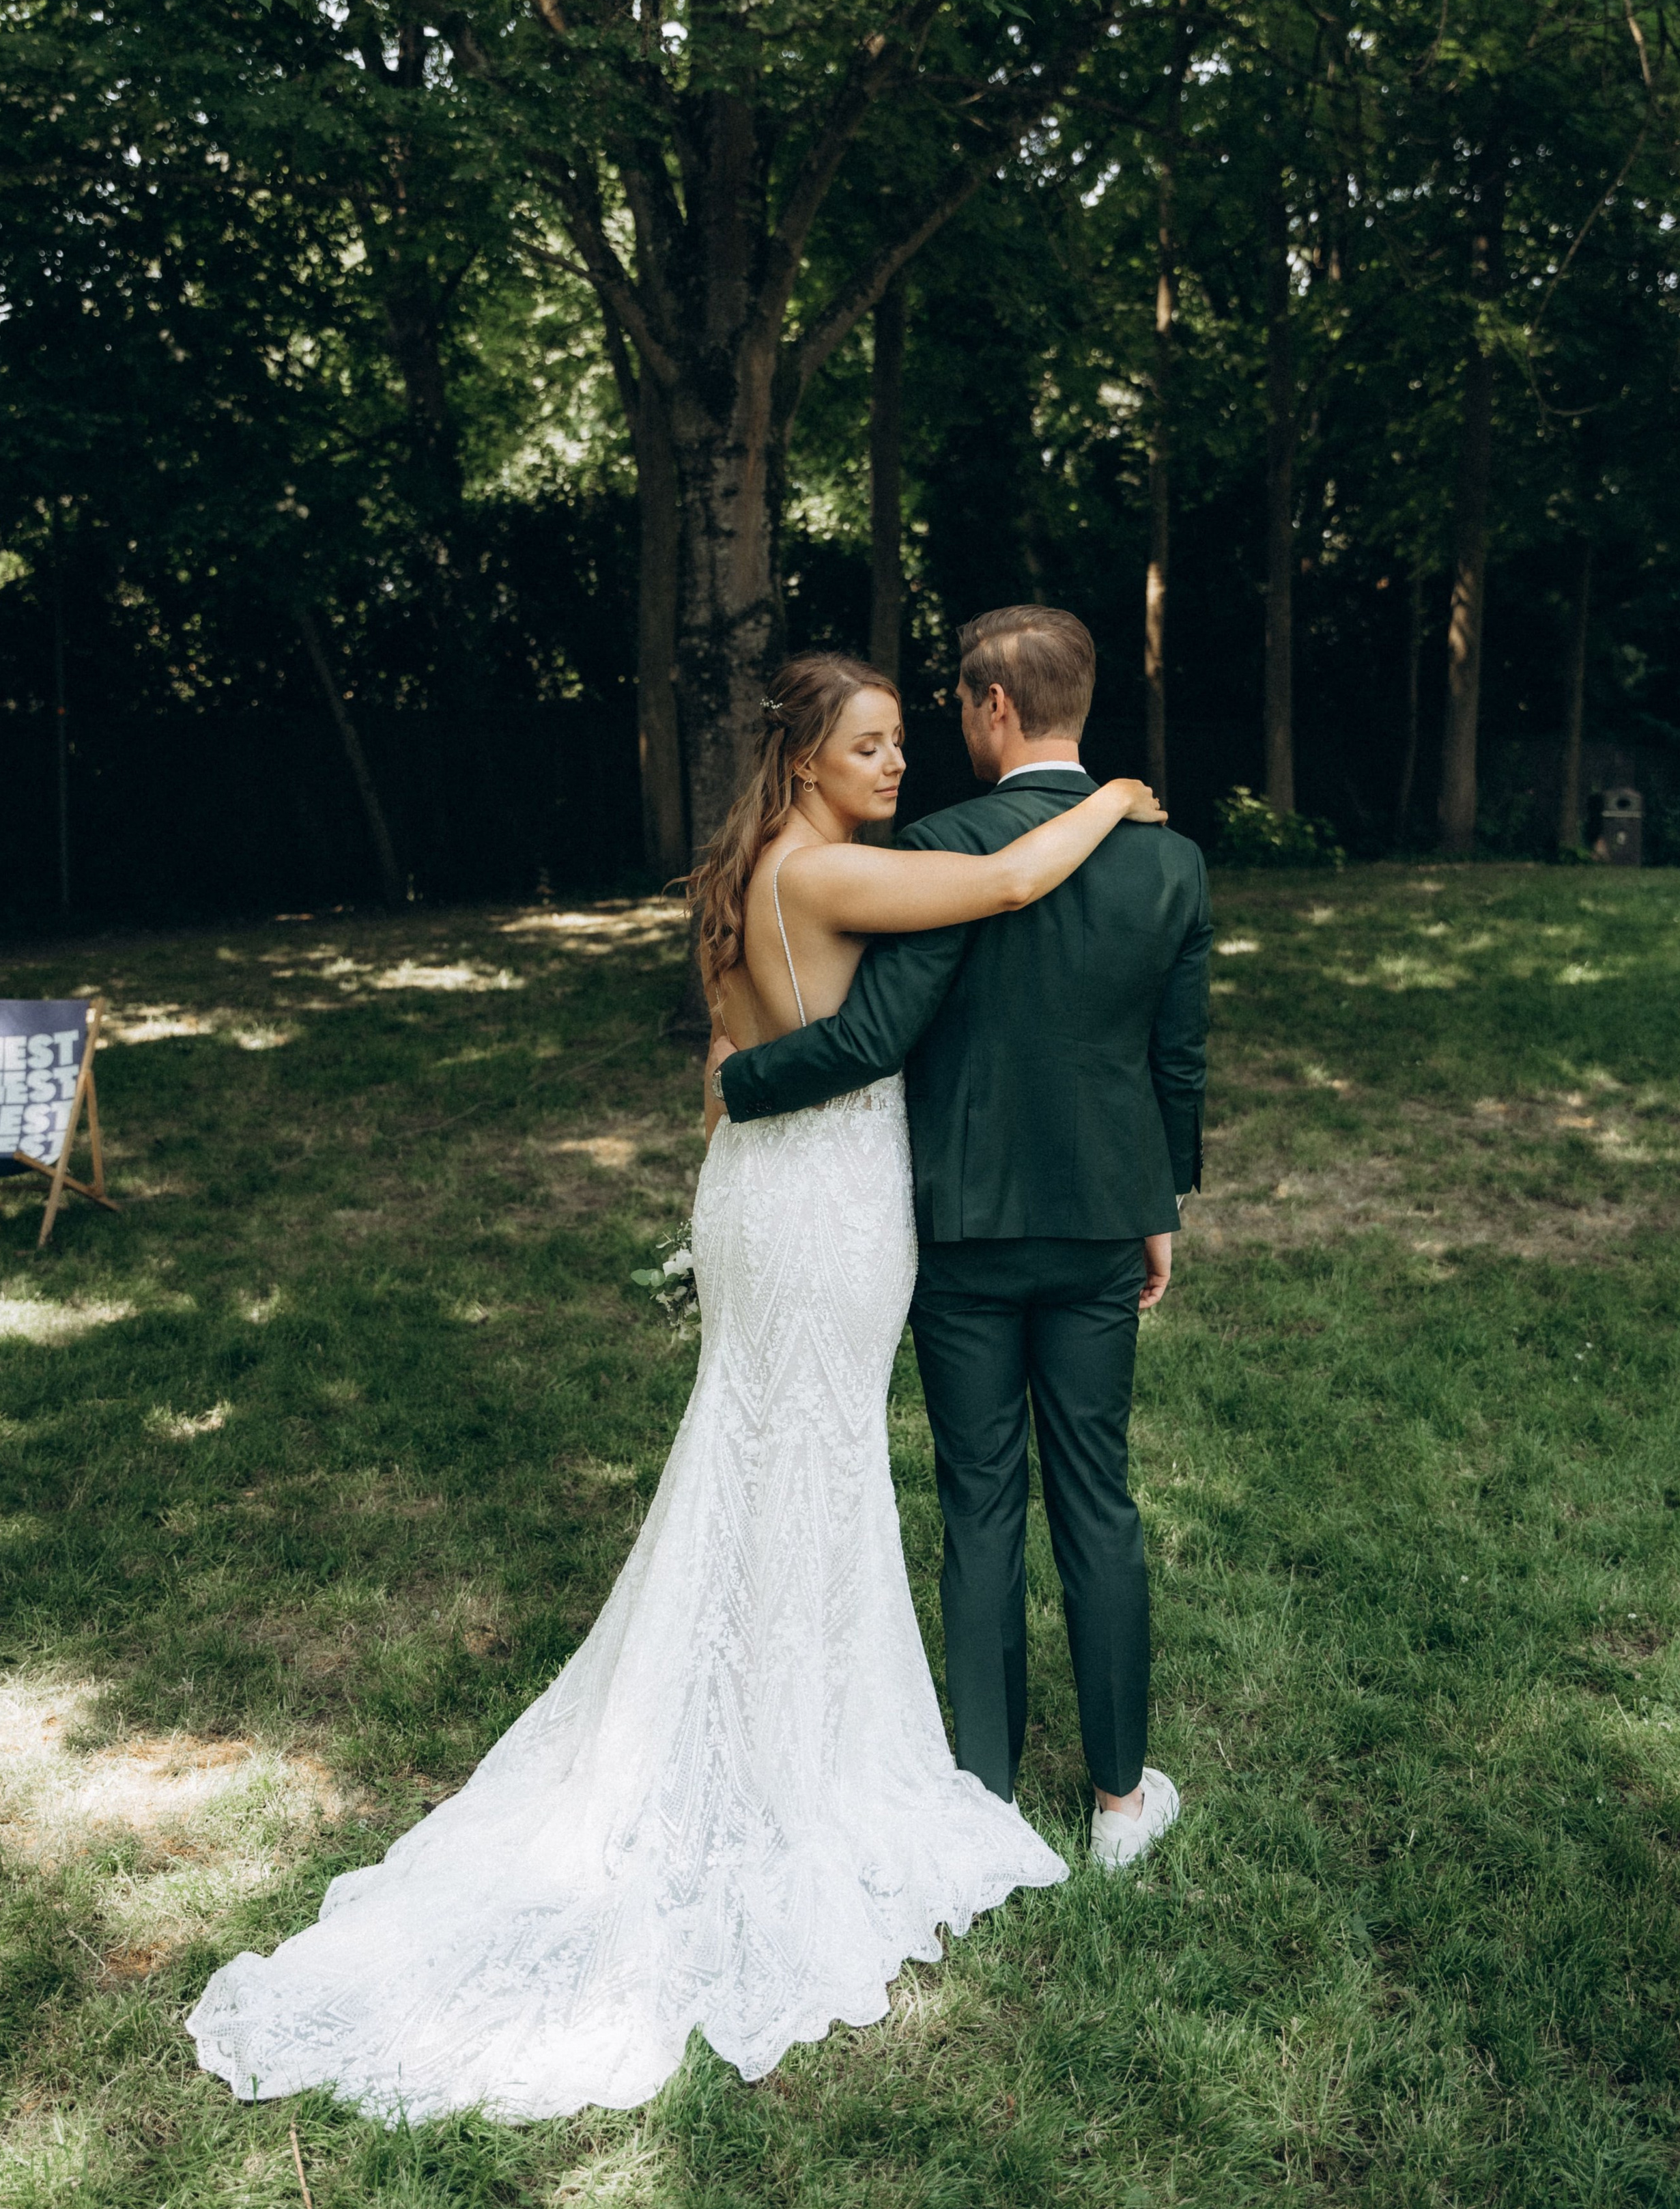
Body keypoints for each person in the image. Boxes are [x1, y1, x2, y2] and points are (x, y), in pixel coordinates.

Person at [186, 649, 1163, 2126]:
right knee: (807, 1464)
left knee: (762, 1459)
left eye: (905, 742)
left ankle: (771, 1718)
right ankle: (789, 1768)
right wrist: (1117, 803)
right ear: (807, 758)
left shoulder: (744, 868)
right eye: (871, 747)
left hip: (754, 1195)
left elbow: (735, 1048)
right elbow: (1013, 884)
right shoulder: (827, 875)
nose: (896, 767)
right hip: (826, 1207)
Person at [713, 606, 1212, 1870]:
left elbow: (877, 1033)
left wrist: (740, 1081)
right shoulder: (1172, 862)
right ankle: (1114, 1806)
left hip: (960, 1227)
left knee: (981, 1500)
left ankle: (982, 1796)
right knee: (1098, 1496)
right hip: (1103, 1219)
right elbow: (1176, 1062)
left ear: (994, 707)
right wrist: (1160, 1207)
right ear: (1079, 700)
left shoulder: (936, 845)